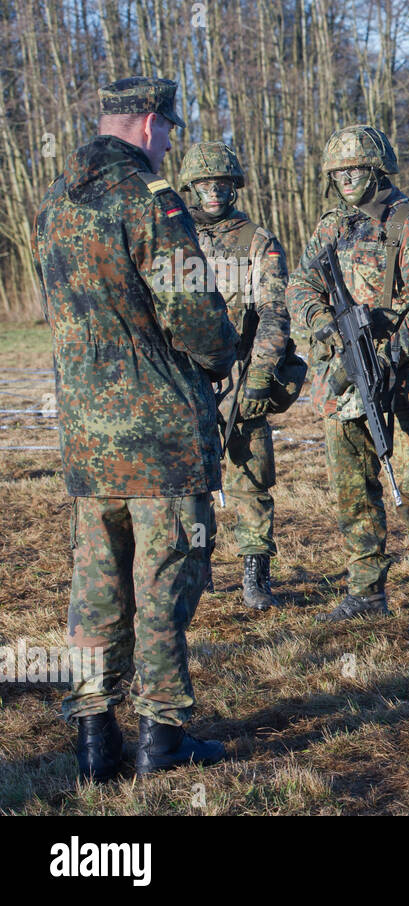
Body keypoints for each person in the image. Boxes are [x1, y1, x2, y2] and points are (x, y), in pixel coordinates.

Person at [32, 77, 238, 779]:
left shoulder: (55, 205)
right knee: (163, 583)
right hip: (159, 436)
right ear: (150, 124)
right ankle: (161, 738)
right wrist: (220, 356)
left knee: (94, 587)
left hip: (88, 436)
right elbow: (197, 314)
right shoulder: (150, 202)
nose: (172, 143)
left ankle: (94, 741)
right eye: (171, 130)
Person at [286, 125, 409, 636]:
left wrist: (393, 352)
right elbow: (300, 283)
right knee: (352, 487)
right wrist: (321, 323)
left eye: (356, 169)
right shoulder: (331, 225)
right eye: (338, 172)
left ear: (378, 168)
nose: (347, 179)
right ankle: (366, 589)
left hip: (398, 378)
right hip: (344, 378)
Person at [179, 141, 290, 611]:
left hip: (242, 374)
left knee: (250, 477)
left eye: (221, 183)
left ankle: (255, 571)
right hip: (185, 378)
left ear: (234, 187)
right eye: (205, 184)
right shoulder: (173, 239)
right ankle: (198, 564)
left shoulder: (257, 241)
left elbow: (274, 311)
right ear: (191, 187)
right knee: (191, 485)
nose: (213, 192)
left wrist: (261, 373)